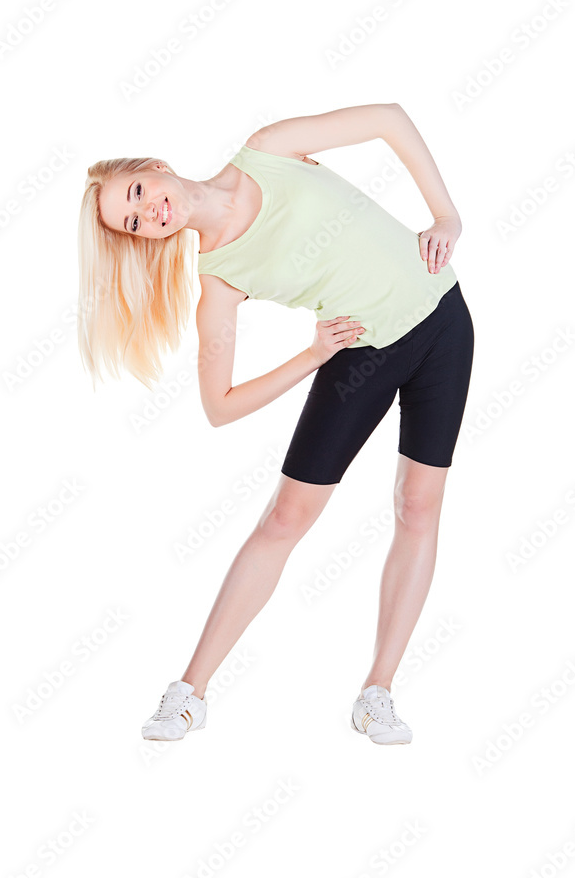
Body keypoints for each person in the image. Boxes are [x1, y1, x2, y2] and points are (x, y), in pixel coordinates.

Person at [77, 103, 474, 746]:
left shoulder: (268, 149)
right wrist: (313, 355)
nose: (149, 212)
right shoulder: (219, 279)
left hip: (443, 320)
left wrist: (445, 215)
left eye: (140, 192)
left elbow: (389, 119)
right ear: (142, 239)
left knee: (419, 506)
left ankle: (377, 693)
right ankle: (189, 693)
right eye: (134, 221)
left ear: (155, 167)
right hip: (359, 355)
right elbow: (219, 406)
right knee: (286, 518)